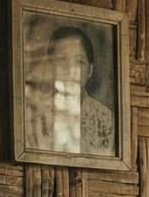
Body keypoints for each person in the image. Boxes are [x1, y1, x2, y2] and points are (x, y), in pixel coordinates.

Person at [25, 25, 114, 155]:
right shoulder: (32, 115)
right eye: (62, 60)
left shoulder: (106, 119)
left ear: (90, 70)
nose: (70, 70)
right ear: (50, 65)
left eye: (79, 62)